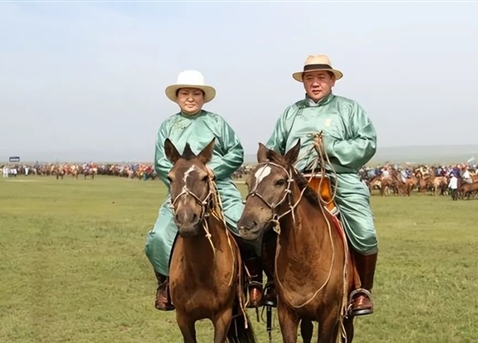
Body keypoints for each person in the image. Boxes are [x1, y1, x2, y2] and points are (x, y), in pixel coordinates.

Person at [264, 54, 378, 317]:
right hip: (297, 181)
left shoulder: (349, 109)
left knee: (365, 232)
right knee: (262, 225)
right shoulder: (291, 113)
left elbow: (367, 142)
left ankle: (361, 291)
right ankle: (272, 283)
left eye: (321, 77)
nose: (315, 83)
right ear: (303, 83)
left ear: (332, 81)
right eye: (309, 78)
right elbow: (274, 149)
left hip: (339, 177)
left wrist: (332, 147)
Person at [144, 70, 264, 311]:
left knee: (246, 225)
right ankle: (166, 284)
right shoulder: (167, 126)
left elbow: (236, 152)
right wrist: (184, 186)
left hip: (219, 187)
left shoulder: (216, 122)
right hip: (181, 194)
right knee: (158, 236)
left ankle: (253, 280)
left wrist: (212, 171)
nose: (190, 97)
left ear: (203, 97)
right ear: (177, 97)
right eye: (185, 93)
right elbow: (161, 162)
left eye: (195, 93)